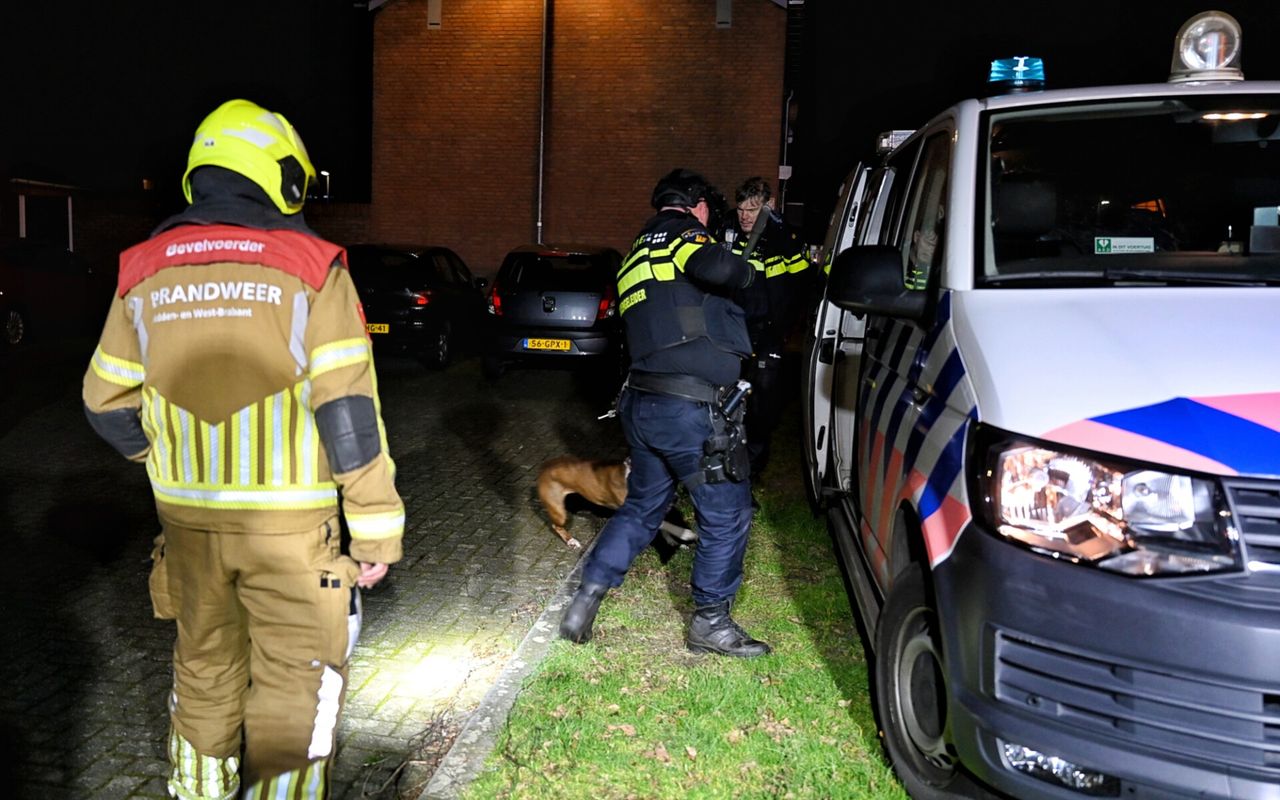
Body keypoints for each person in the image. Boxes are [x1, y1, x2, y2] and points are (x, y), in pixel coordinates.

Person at [82, 99, 404, 799]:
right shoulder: (313, 267)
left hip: (188, 530)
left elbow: (103, 401)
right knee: (296, 690)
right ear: (281, 176)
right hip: (293, 539)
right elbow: (347, 413)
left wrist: (163, 457)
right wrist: (376, 532)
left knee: (203, 673)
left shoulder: (142, 270)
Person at [559, 168, 770, 658]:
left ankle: (586, 596)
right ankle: (711, 623)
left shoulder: (633, 252)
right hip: (689, 410)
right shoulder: (682, 233)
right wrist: (744, 267)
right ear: (696, 206)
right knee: (726, 513)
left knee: (642, 507)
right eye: (709, 215)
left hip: (643, 403)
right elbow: (723, 271)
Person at [725, 177, 810, 480]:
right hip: (733, 332)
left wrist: (779, 231)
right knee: (725, 398)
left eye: (753, 209)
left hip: (767, 336)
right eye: (741, 209)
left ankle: (752, 469)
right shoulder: (729, 234)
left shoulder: (782, 237)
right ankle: (724, 459)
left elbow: (802, 281)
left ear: (768, 206)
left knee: (762, 404)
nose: (745, 216)